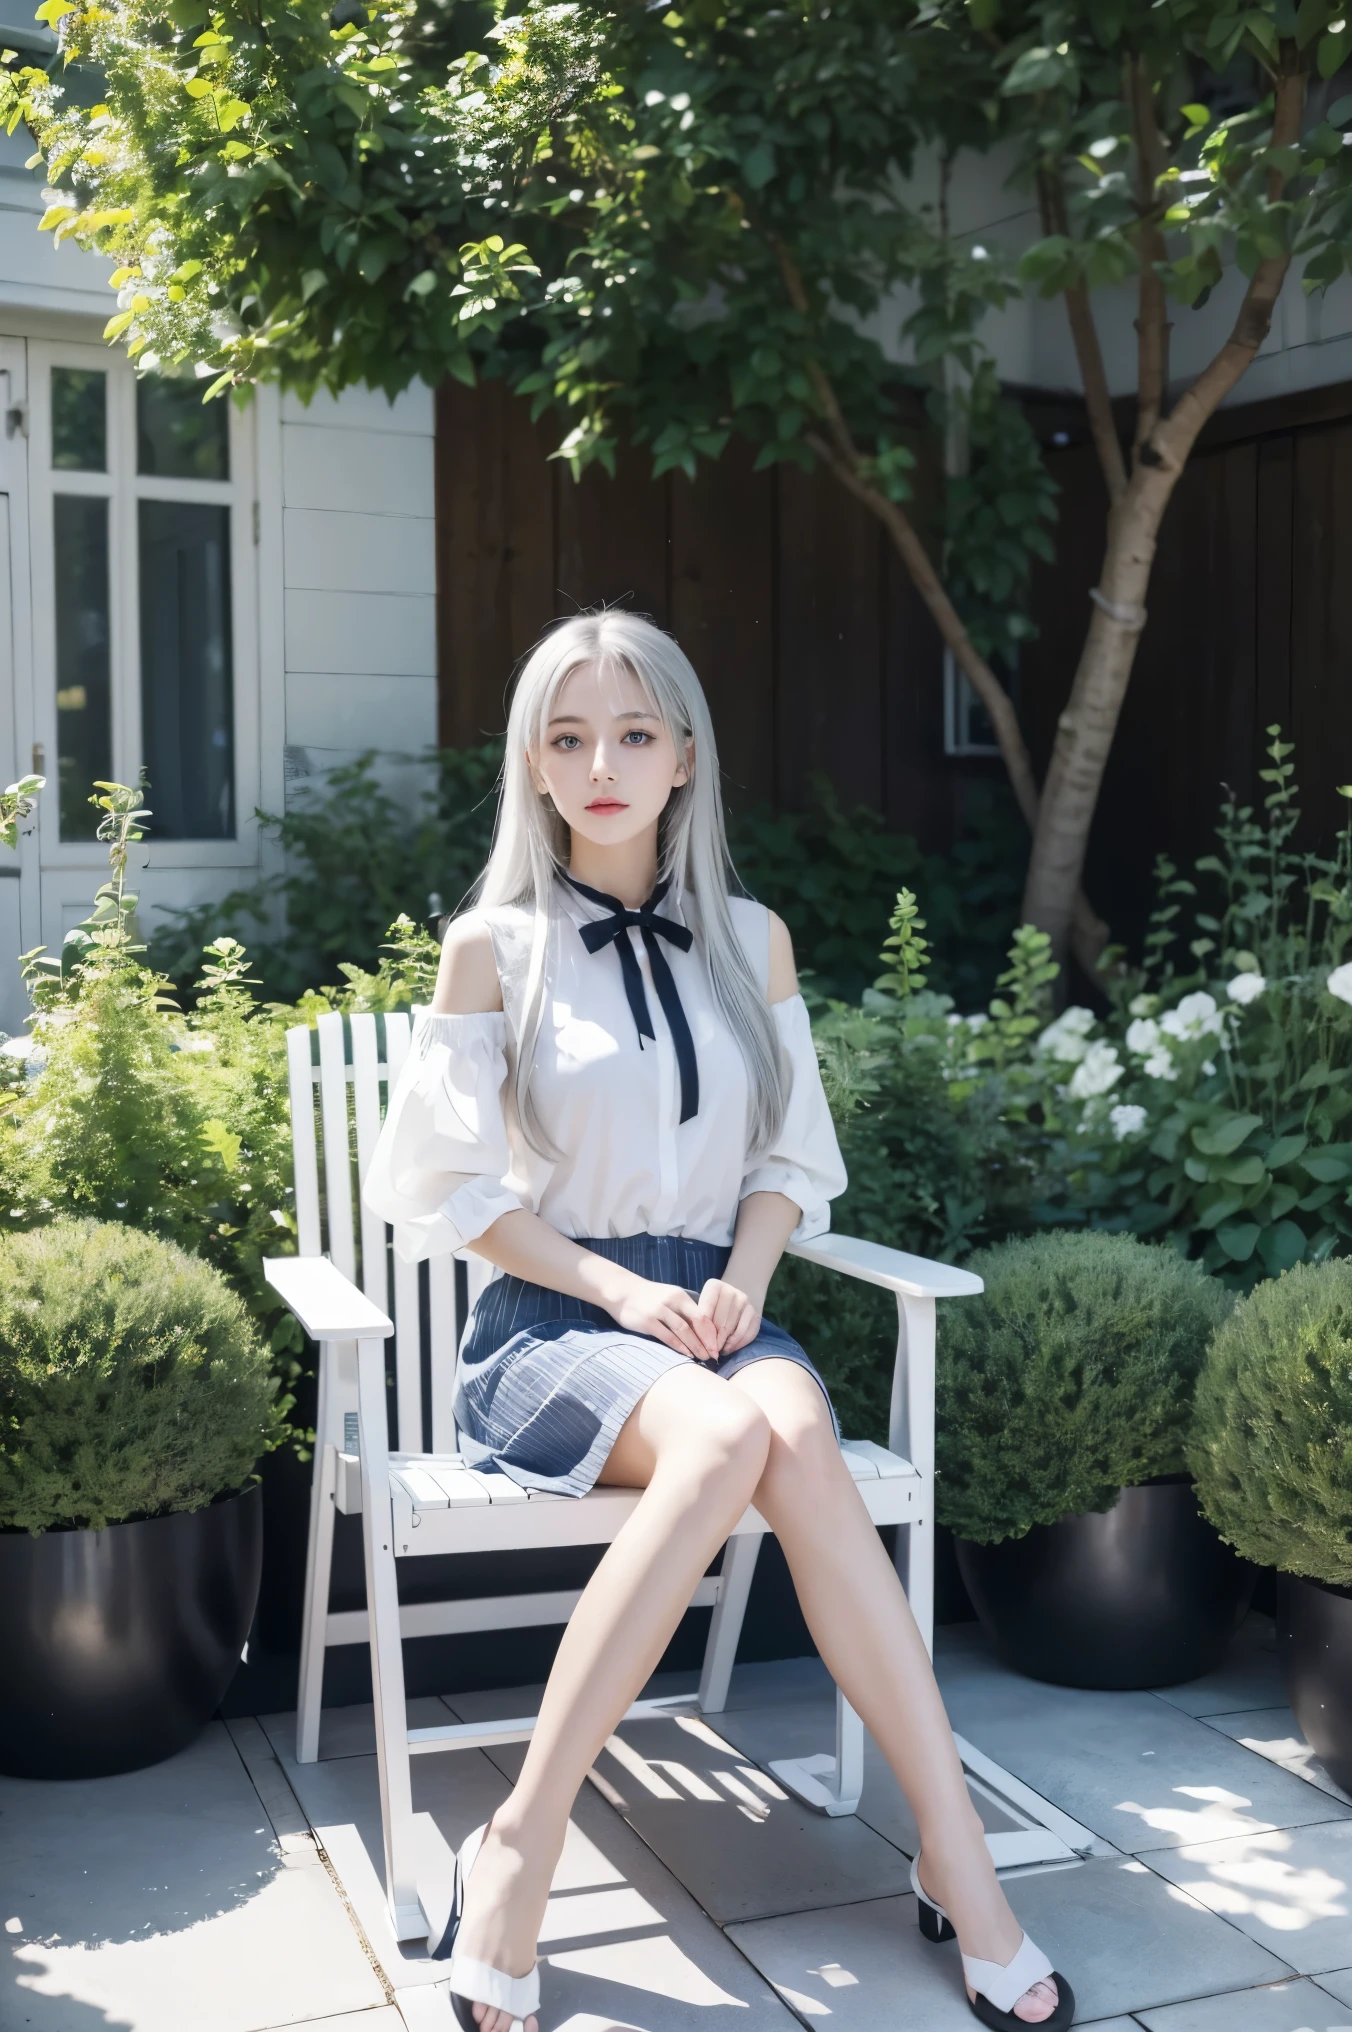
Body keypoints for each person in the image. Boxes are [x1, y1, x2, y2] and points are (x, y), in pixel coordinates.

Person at [362, 611, 1073, 2032]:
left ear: (685, 756)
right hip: (554, 1321)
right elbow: (447, 1195)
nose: (603, 763)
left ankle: (955, 1850)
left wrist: (746, 1277)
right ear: (535, 767)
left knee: (790, 1435)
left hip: (715, 1312)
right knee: (722, 1442)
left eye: (634, 733)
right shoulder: (491, 949)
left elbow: (787, 1164)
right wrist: (621, 1289)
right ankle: (521, 1847)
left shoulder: (751, 939)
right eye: (569, 739)